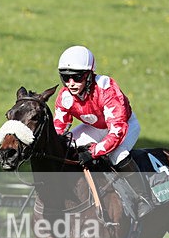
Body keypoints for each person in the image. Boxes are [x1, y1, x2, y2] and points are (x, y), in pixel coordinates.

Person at [53, 45, 153, 220]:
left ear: (89, 75)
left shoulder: (107, 90)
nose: (71, 83)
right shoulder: (65, 97)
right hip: (95, 127)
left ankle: (143, 197)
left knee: (117, 155)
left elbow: (116, 132)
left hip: (123, 126)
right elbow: (59, 130)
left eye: (76, 77)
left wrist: (92, 152)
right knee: (66, 149)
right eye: (66, 77)